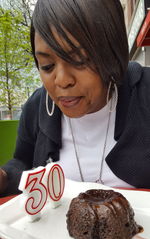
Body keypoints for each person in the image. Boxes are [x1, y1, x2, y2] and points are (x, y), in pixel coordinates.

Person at [0, 0, 150, 197]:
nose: (62, 81)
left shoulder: (145, 91)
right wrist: (5, 177)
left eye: (78, 61)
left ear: (111, 53)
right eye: (47, 66)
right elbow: (23, 162)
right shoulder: (36, 106)